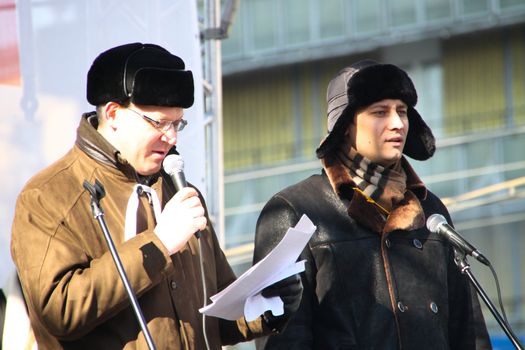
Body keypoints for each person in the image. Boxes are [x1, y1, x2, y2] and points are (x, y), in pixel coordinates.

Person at [10, 42, 302, 350]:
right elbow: (60, 311)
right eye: (159, 123)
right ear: (113, 114)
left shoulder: (178, 190)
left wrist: (267, 305)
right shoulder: (47, 196)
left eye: (177, 123)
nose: (172, 137)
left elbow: (214, 311)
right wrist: (159, 243)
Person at [253, 60, 492, 349]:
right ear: (344, 125)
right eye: (380, 112)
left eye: (402, 111)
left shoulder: (431, 211)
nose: (397, 123)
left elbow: (468, 331)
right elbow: (286, 339)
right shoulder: (293, 211)